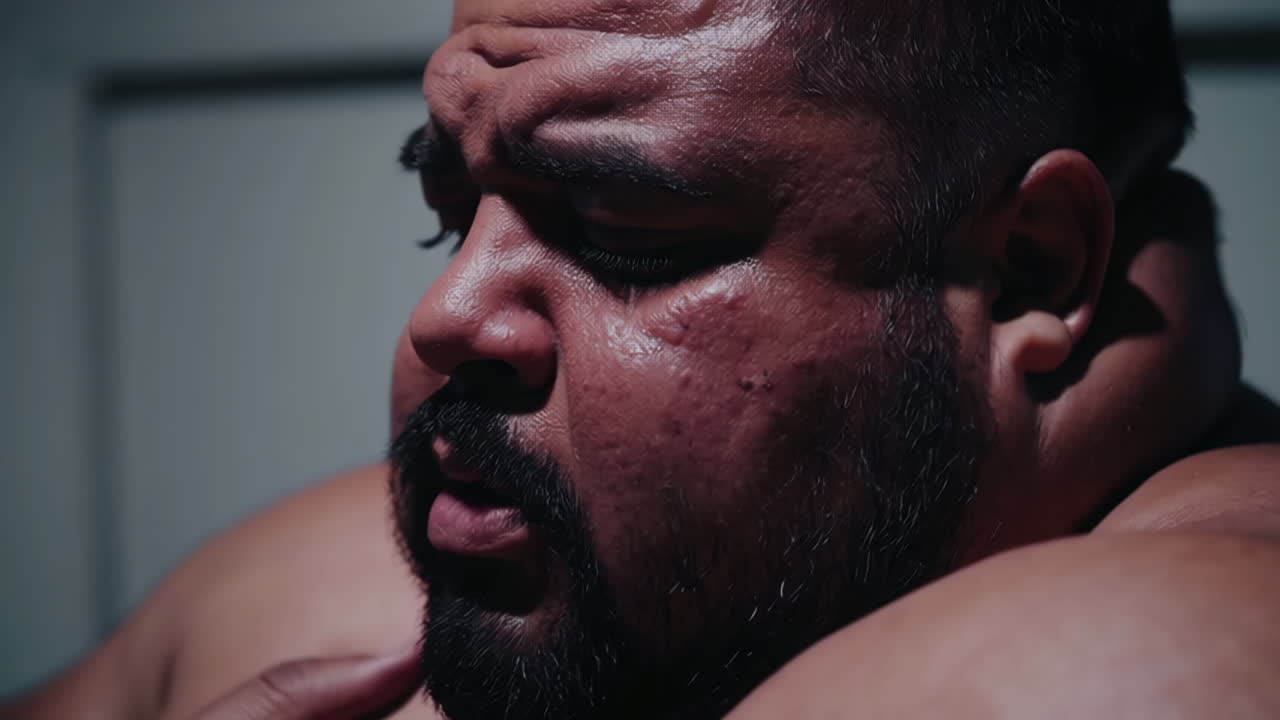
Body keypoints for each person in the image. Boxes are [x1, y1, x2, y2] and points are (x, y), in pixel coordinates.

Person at [7, 0, 1280, 718]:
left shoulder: (1134, 662)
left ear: (1030, 267)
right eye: (451, 212)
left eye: (620, 231)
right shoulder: (321, 590)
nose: (443, 318)